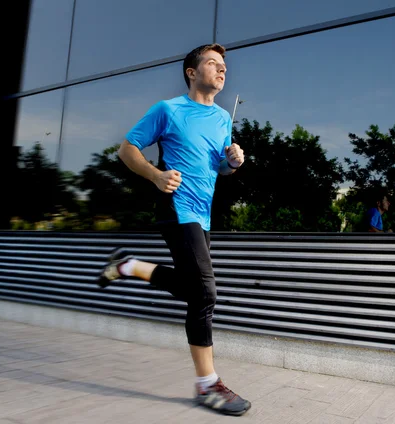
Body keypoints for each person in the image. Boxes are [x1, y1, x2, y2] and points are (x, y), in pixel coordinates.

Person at [96, 44, 251, 416]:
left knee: (193, 286)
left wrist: (233, 162)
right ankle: (207, 385)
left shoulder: (222, 120)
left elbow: (220, 169)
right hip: (176, 206)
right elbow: (126, 149)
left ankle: (128, 266)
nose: (221, 69)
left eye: (224, 66)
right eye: (213, 63)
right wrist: (155, 174)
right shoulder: (168, 109)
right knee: (205, 293)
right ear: (191, 72)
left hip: (203, 215)